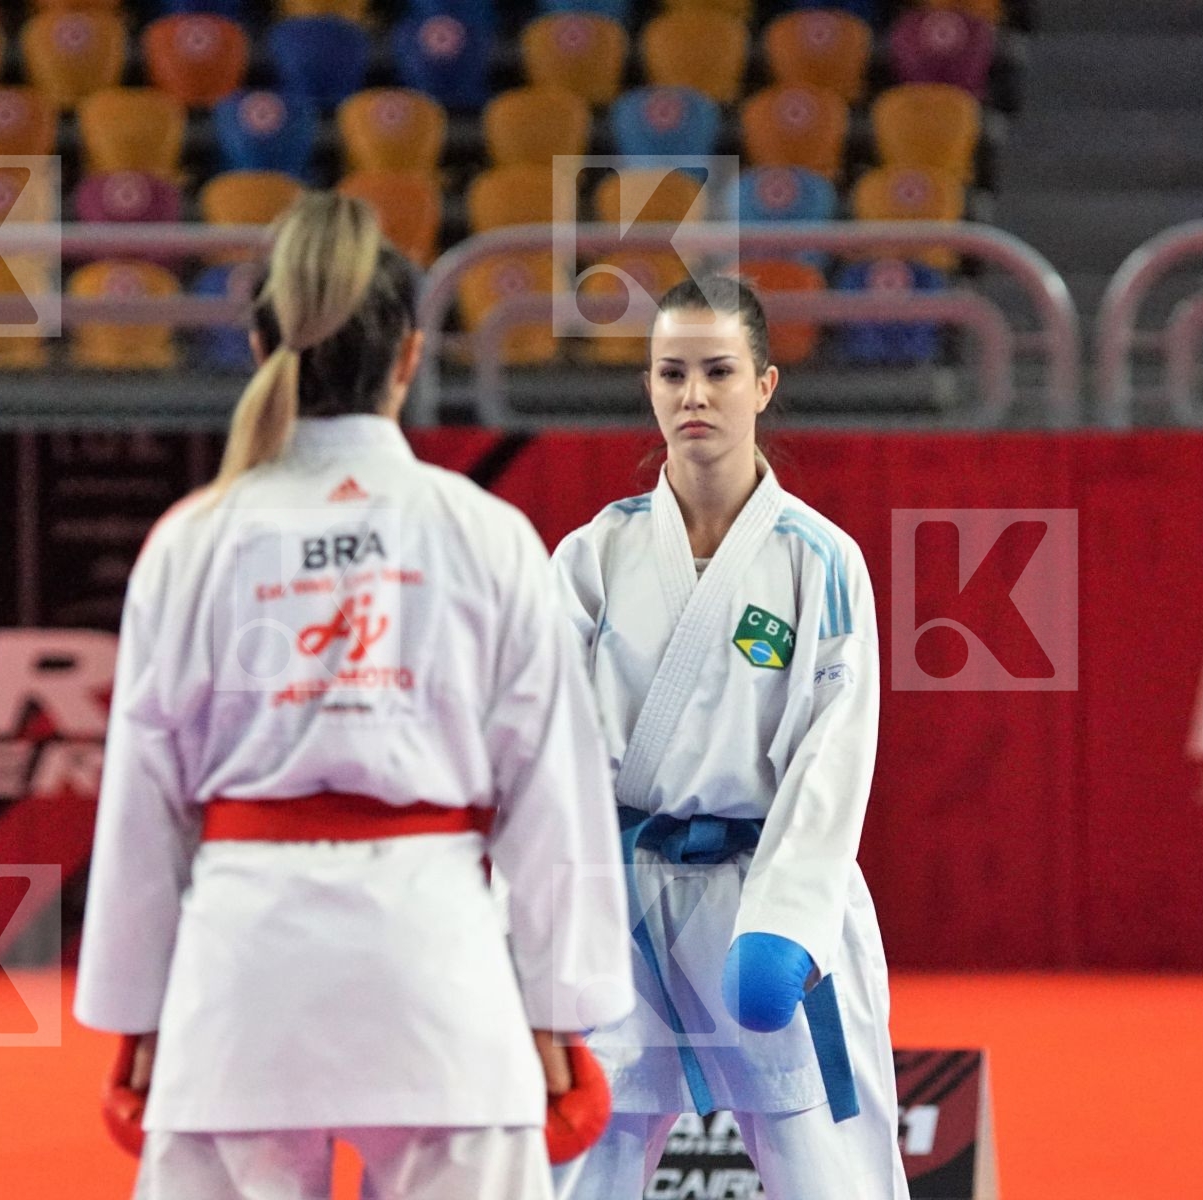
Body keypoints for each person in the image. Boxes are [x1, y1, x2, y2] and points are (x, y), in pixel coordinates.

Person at [73, 192, 633, 1200]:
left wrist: (139, 1012)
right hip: (437, 972)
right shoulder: (484, 532)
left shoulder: (193, 539)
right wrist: (559, 1007)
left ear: (258, 345)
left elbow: (142, 802)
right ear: (410, 357)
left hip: (241, 979)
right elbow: (553, 793)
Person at [550, 276, 911, 1200]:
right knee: (583, 1158)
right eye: (673, 373)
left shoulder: (819, 559)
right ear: (649, 387)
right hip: (621, 900)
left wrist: (788, 920)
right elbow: (547, 749)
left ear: (765, 385)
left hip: (766, 892)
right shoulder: (593, 555)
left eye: (719, 372)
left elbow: (835, 751)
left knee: (828, 1166)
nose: (694, 395)